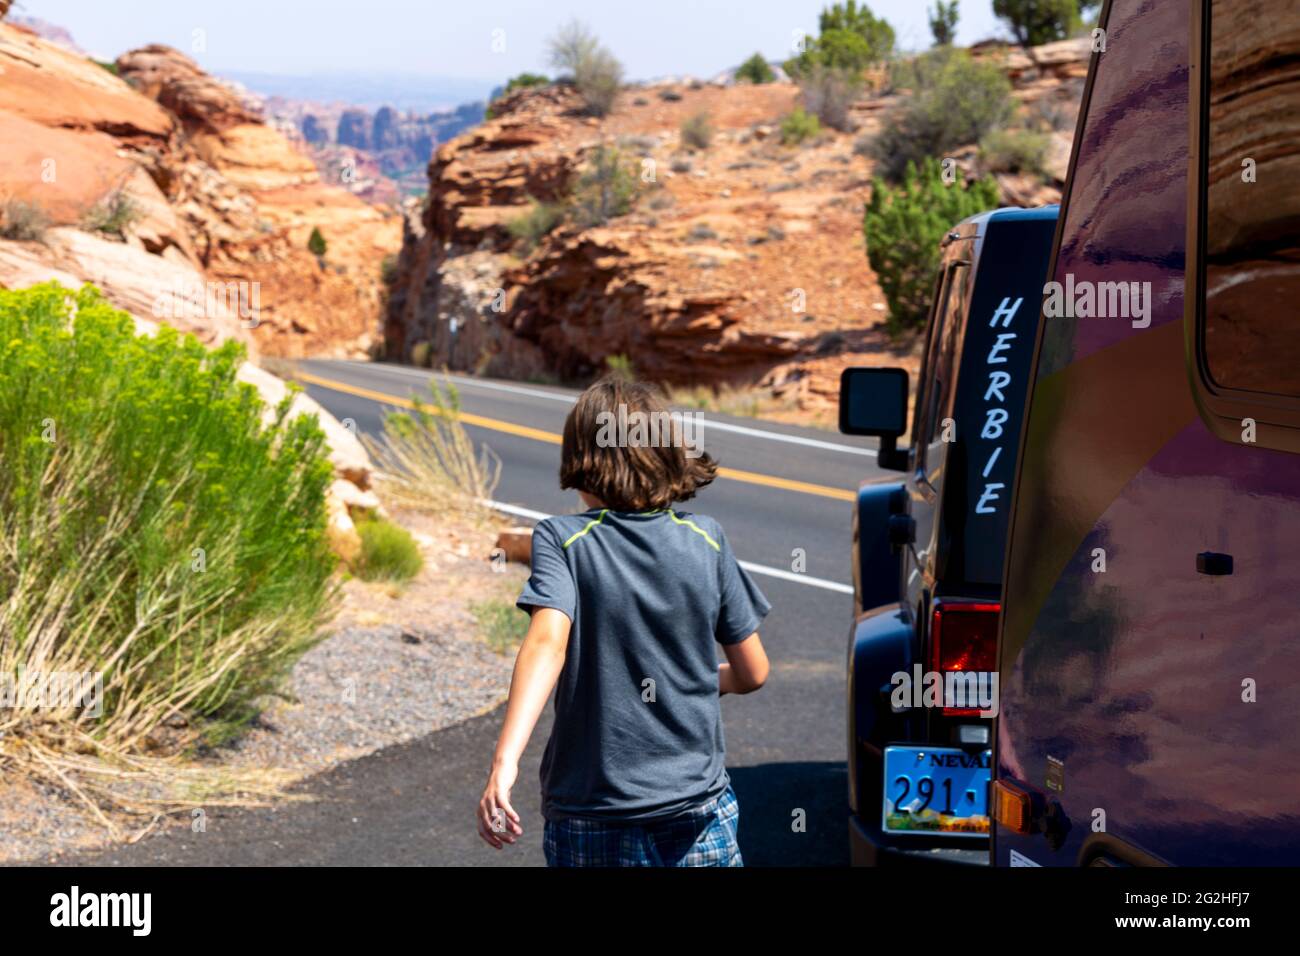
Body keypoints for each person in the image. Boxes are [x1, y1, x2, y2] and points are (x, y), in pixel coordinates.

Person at [475, 376, 771, 866]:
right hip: (698, 805)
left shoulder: (563, 540)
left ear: (581, 457)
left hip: (594, 810)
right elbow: (753, 672)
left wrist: (504, 764)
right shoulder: (706, 539)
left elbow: (548, 643)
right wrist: (701, 681)